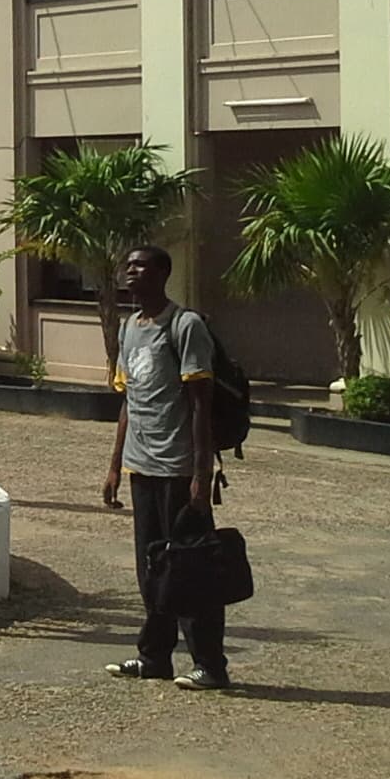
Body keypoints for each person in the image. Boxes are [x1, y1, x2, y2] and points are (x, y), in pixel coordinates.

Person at [103, 244, 231, 691]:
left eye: (140, 265)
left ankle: (210, 665)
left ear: (162, 273)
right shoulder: (128, 328)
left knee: (191, 569)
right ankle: (154, 657)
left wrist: (200, 473)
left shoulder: (185, 325)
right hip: (143, 468)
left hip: (178, 469)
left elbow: (201, 404)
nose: (130, 271)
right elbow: (128, 402)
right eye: (128, 265)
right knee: (153, 567)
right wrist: (115, 465)